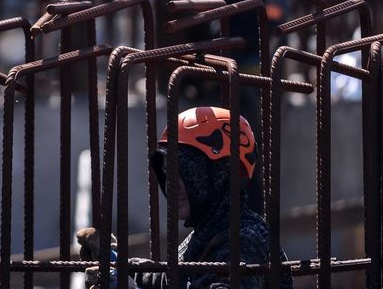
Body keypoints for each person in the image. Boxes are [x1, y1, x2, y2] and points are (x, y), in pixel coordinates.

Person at [78, 107, 291, 288]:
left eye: (184, 172)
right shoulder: (207, 234)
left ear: (218, 174)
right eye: (168, 174)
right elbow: (171, 281)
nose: (172, 184)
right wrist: (116, 264)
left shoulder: (245, 240)